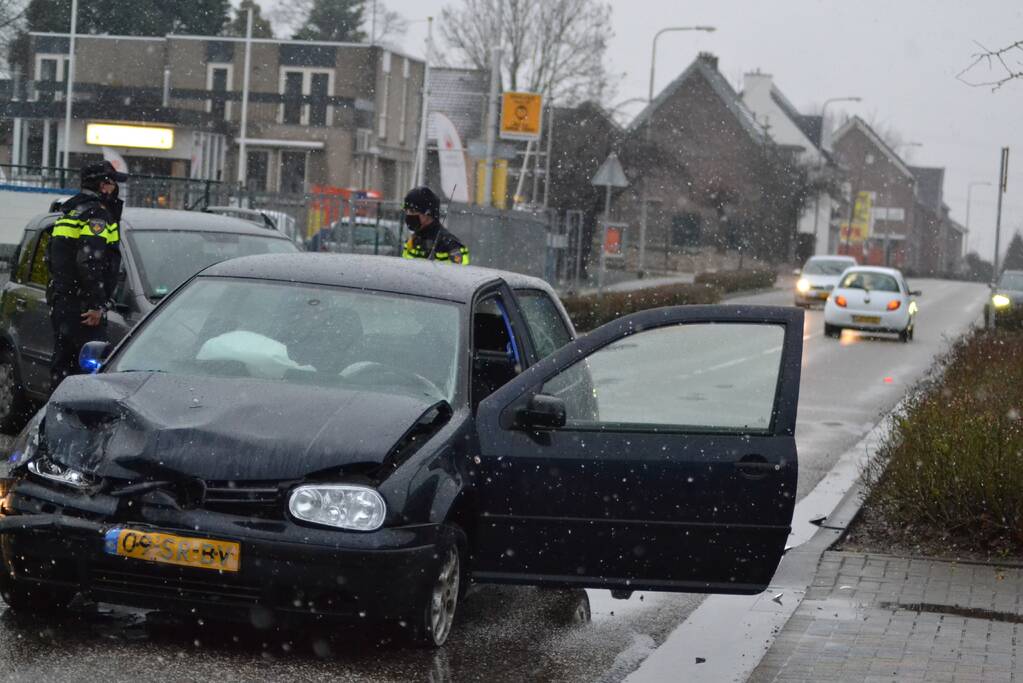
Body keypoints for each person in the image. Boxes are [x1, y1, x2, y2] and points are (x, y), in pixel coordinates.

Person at [47, 160, 126, 389]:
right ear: (103, 185)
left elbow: (55, 259)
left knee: (63, 370)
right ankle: (80, 421)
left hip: (66, 303)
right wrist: (96, 305)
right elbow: (90, 261)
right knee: (89, 376)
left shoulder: (72, 211)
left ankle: (57, 415)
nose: (115, 189)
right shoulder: (96, 214)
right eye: (112, 183)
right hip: (83, 310)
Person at [401, 186, 470, 265]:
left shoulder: (449, 245)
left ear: (428, 213)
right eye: (406, 210)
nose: (408, 214)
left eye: (413, 211)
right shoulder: (412, 240)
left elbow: (459, 274)